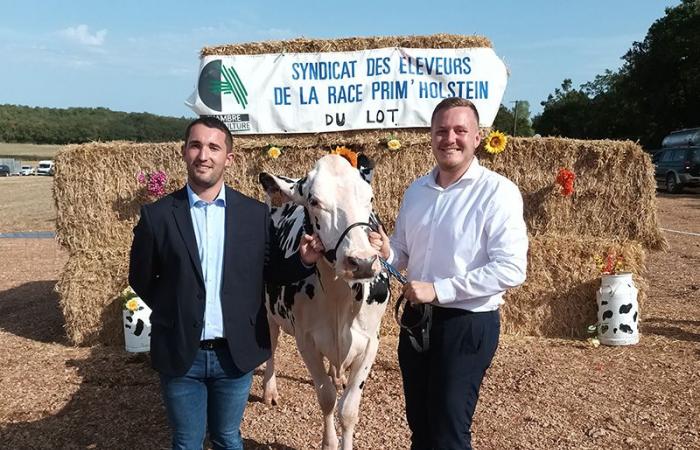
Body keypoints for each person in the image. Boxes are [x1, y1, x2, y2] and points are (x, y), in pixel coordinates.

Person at [128, 117, 323, 450]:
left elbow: (273, 273)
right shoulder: (157, 216)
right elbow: (142, 278)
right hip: (180, 353)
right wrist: (176, 310)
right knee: (186, 441)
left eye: (214, 147)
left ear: (228, 158)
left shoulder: (253, 215)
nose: (204, 155)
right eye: (196, 145)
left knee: (227, 438)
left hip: (235, 353)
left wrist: (303, 261)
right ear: (184, 152)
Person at [371, 97, 528, 449]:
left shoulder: (497, 192)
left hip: (466, 323)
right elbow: (403, 253)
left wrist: (439, 290)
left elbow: (512, 268)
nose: (450, 138)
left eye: (460, 130)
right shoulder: (416, 191)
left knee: (449, 432)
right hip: (417, 320)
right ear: (431, 136)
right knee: (421, 425)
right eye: (441, 131)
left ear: (477, 138)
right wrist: (385, 251)